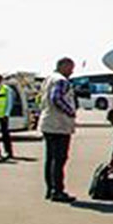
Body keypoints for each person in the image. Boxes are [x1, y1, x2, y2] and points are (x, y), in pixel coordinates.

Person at [38, 58, 77, 202]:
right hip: (58, 124)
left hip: (47, 122)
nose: (72, 71)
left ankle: (50, 189)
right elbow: (57, 98)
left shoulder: (48, 79)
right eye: (71, 67)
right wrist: (70, 111)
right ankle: (58, 190)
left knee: (50, 158)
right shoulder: (61, 81)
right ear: (63, 66)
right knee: (59, 159)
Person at [0, 74, 14, 160]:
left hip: (3, 115)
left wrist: (6, 114)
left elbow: (9, 102)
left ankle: (8, 152)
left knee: (5, 135)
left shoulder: (6, 89)